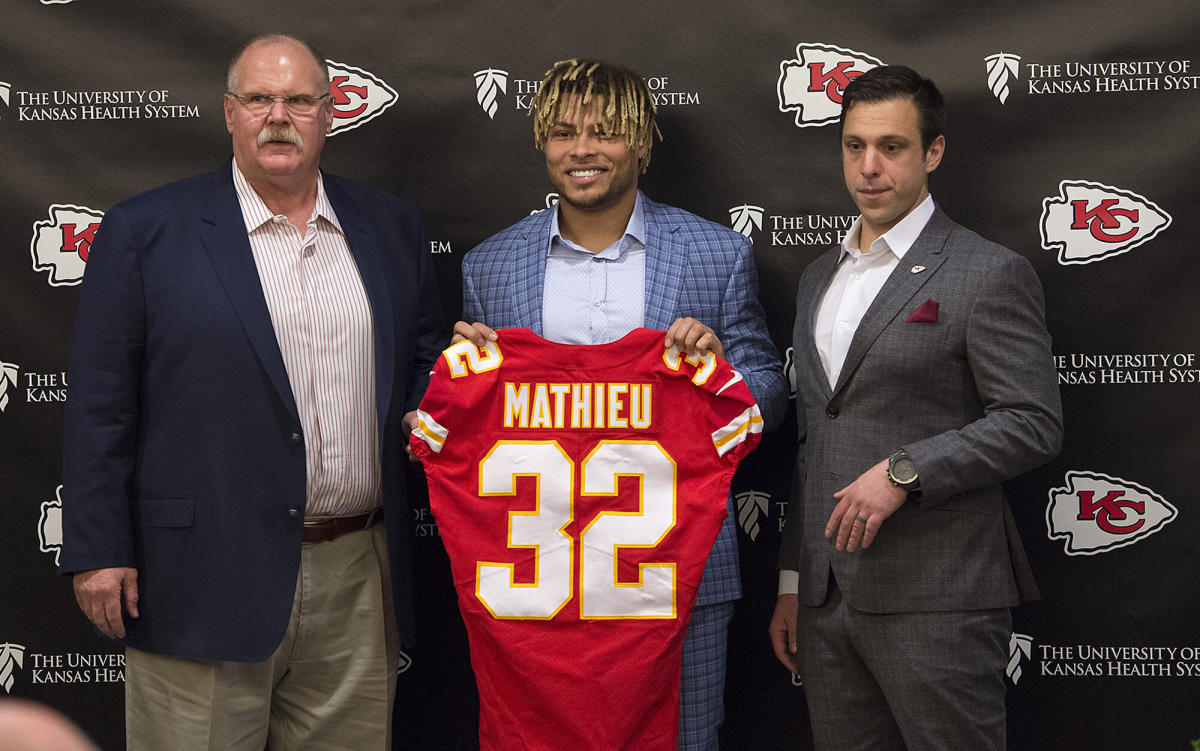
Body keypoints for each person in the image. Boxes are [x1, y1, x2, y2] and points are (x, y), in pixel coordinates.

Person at [59, 34, 442, 750]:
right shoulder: (146, 231)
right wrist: (97, 547)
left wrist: (433, 400)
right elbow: (99, 403)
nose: (279, 117)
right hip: (198, 573)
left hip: (358, 568)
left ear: (331, 114)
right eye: (260, 99)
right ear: (229, 113)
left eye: (299, 100)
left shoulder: (390, 225)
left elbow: (423, 355)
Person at [453, 58, 788, 750]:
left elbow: (768, 390)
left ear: (642, 142)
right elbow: (473, 421)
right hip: (537, 579)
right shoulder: (490, 265)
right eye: (564, 132)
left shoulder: (714, 254)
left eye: (606, 133)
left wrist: (719, 375)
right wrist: (466, 369)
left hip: (672, 571)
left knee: (685, 739)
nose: (582, 150)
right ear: (543, 143)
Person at [769, 65, 1063, 750]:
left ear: (932, 152)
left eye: (892, 147)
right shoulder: (819, 277)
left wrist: (905, 470)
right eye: (853, 146)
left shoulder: (987, 272)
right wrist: (793, 578)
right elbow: (817, 438)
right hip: (825, 599)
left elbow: (1033, 421)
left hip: (940, 598)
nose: (869, 167)